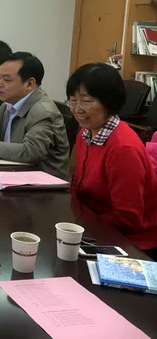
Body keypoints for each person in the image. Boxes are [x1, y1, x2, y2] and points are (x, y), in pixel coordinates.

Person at [67, 63, 157, 256]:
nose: (77, 109)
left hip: (131, 243)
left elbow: (128, 218)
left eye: (87, 101)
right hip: (94, 228)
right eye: (72, 100)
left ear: (109, 103)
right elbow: (77, 187)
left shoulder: (123, 149)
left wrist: (83, 225)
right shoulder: (85, 133)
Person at [0, 52, 69, 180]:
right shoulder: (10, 103)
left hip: (41, 185)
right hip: (12, 175)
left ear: (29, 84)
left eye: (7, 80)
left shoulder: (43, 111)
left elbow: (31, 151)